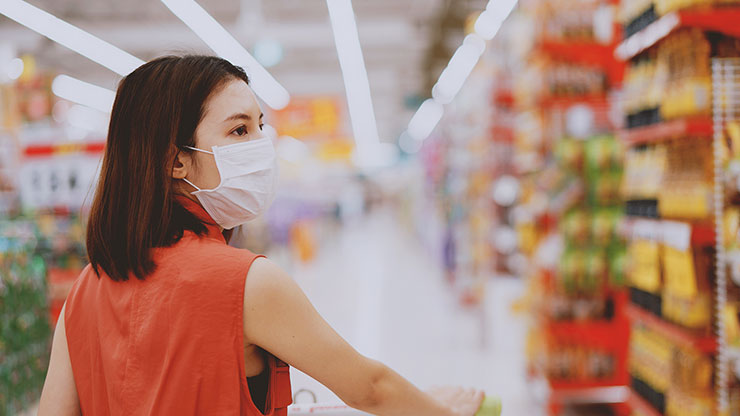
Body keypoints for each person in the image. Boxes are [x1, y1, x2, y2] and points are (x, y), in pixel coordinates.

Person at [37, 55, 485, 416]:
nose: (261, 146)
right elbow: (369, 388)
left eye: (259, 127)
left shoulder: (86, 288)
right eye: (239, 130)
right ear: (176, 161)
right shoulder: (246, 282)